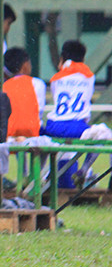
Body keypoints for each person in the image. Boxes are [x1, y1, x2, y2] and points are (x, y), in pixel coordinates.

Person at [45, 40, 95, 188]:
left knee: (63, 149)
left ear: (63, 57)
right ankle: (85, 170)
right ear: (83, 58)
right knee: (103, 136)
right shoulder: (89, 76)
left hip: (54, 125)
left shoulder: (56, 78)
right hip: (77, 126)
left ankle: (48, 175)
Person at [2, 47, 46, 139]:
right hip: (33, 133)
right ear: (25, 65)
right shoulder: (38, 83)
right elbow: (39, 112)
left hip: (9, 134)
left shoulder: (4, 86)